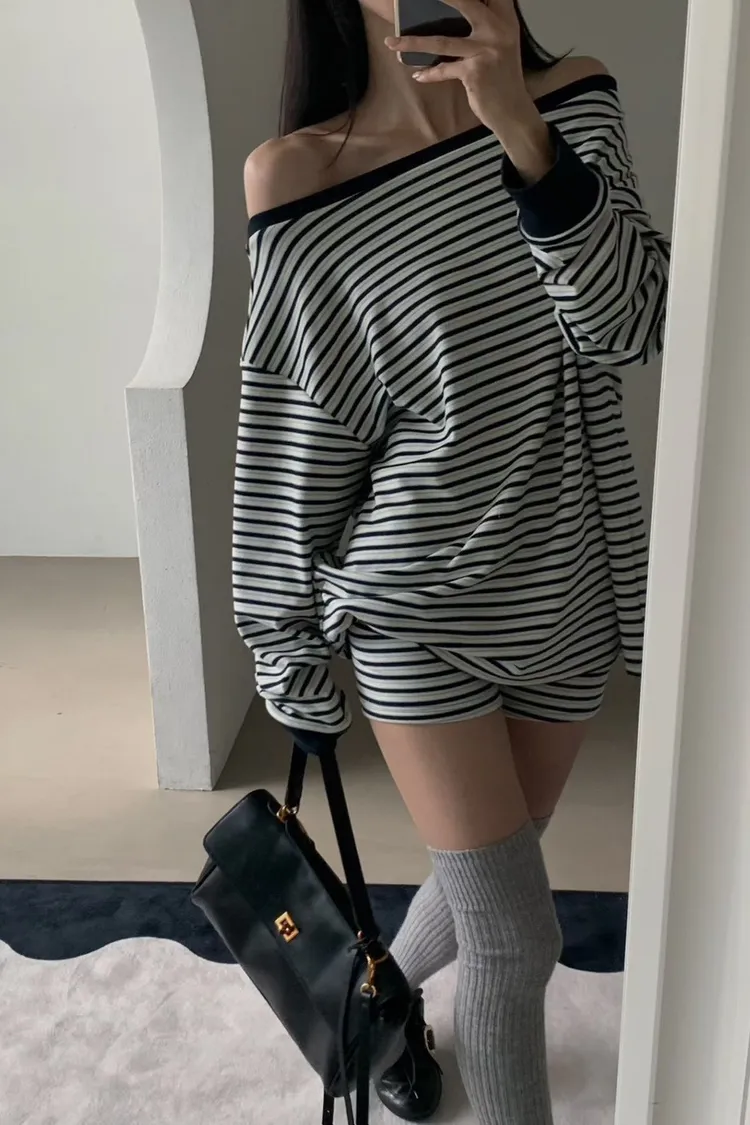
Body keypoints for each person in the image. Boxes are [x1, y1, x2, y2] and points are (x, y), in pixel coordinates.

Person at [233, 0, 669, 1121]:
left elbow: (627, 326)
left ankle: (359, 1001)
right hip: (410, 605)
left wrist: (520, 129)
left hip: (568, 590)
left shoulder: (573, 100)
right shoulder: (298, 175)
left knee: (492, 878)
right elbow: (296, 427)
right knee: (517, 938)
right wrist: (282, 639)